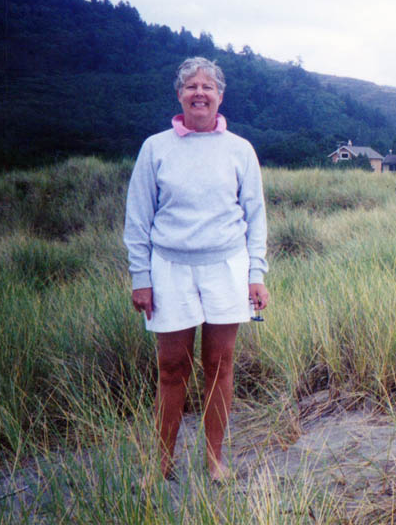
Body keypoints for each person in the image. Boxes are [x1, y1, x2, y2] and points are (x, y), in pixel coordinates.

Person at [124, 56, 269, 483]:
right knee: (171, 368)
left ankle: (214, 461)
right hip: (169, 270)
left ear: (221, 96)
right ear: (179, 95)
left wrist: (255, 273)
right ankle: (160, 465)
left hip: (227, 269)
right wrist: (141, 278)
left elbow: (256, 217)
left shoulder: (241, 150)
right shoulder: (155, 148)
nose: (200, 93)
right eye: (191, 86)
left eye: (208, 87)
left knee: (221, 367)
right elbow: (138, 218)